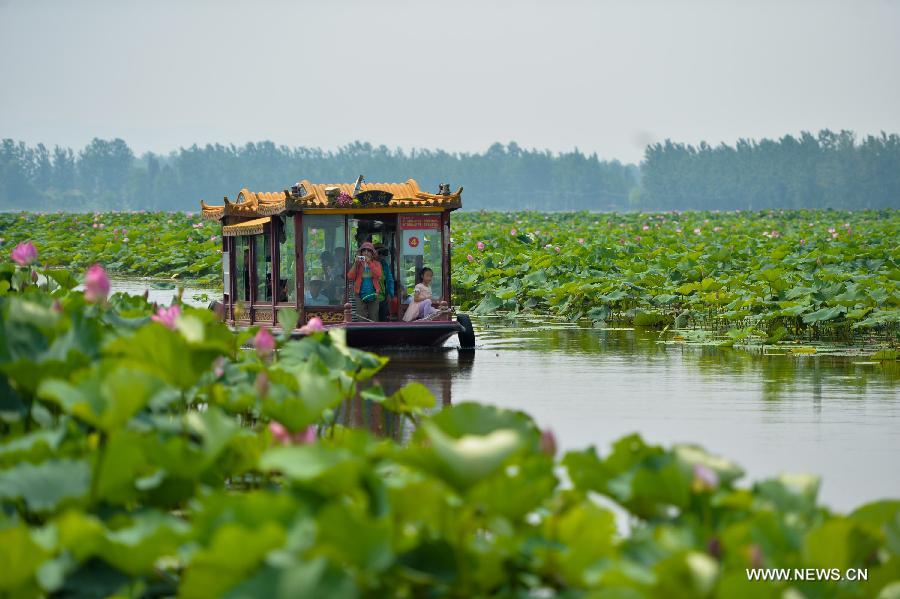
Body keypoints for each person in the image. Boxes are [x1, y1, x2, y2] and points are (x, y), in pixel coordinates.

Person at [346, 242, 383, 321]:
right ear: (361, 253)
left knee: (374, 319)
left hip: (374, 295)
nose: (366, 252)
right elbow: (350, 277)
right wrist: (355, 264)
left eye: (368, 251)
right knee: (361, 319)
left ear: (372, 253)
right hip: (359, 295)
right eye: (364, 250)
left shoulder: (377, 264)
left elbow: (378, 274)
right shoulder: (358, 264)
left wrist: (369, 262)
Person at [375, 243, 395, 321]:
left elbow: (389, 279)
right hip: (372, 296)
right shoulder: (368, 263)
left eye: (384, 253)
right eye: (380, 252)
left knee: (383, 318)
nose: (381, 256)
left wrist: (390, 293)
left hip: (383, 296)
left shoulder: (384, 264)